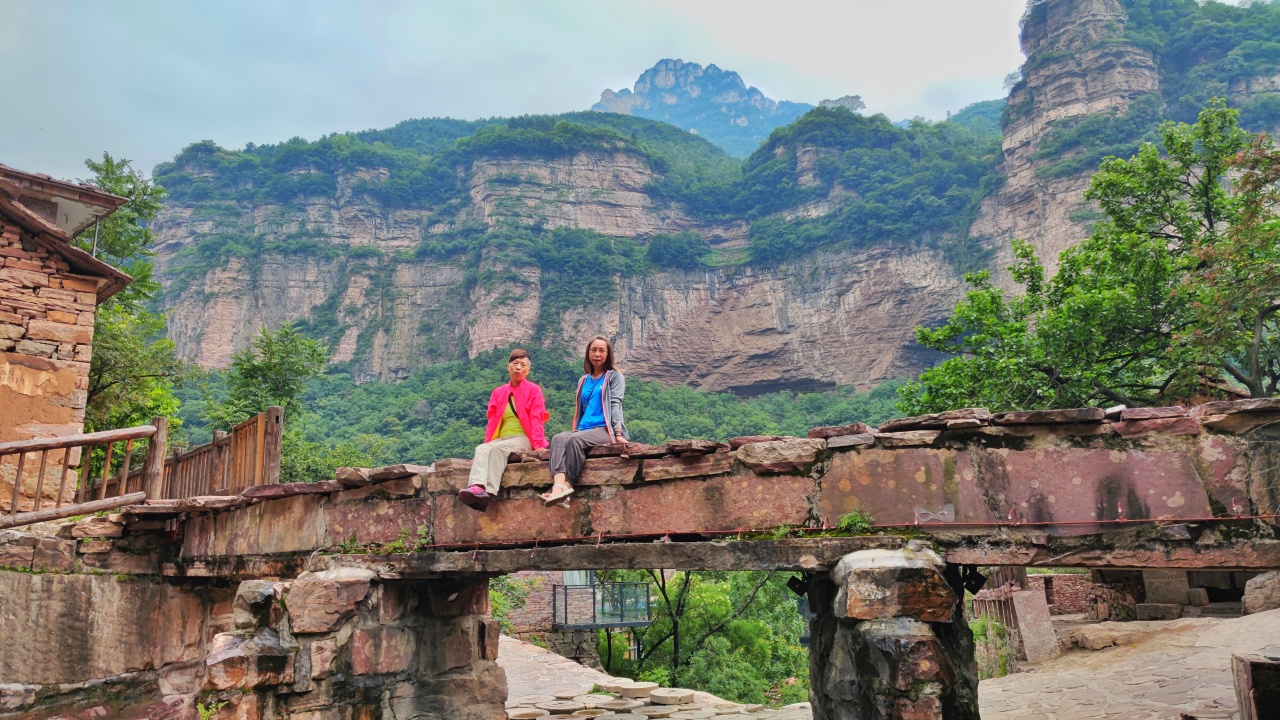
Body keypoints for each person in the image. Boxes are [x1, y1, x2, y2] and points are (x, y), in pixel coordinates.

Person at [459, 349, 549, 511]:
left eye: (523, 365)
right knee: (482, 449)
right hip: (501, 437)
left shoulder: (533, 390)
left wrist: (538, 445)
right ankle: (476, 486)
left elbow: (536, 418)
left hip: (523, 437)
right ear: (508, 367)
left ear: (528, 370)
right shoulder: (499, 393)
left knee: (497, 449)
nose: (518, 367)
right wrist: (487, 444)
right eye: (515, 363)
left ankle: (488, 491)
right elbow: (492, 422)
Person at [542, 336, 628, 505]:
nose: (597, 354)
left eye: (601, 351)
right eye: (593, 350)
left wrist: (618, 433)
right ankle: (557, 488)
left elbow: (615, 404)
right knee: (558, 438)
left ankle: (567, 487)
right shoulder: (583, 380)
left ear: (608, 354)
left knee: (574, 440)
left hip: (605, 429)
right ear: (588, 353)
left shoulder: (614, 376)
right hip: (584, 429)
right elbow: (579, 409)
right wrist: (575, 428)